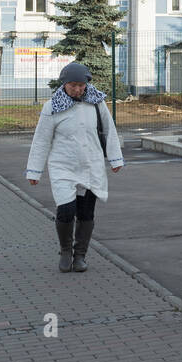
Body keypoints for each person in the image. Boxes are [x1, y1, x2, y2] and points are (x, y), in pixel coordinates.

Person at [26, 62, 125, 273]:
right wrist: (34, 170)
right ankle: (65, 252)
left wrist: (115, 159)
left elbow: (109, 130)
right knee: (66, 210)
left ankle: (80, 255)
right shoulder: (52, 106)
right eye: (73, 85)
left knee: (86, 212)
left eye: (81, 85)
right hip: (63, 166)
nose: (78, 89)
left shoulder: (97, 103)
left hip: (91, 165)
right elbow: (42, 140)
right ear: (64, 84)